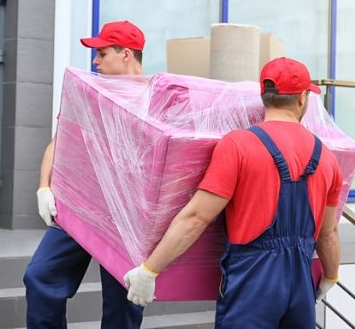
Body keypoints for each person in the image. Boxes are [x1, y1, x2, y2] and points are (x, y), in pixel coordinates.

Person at [124, 57, 342, 328]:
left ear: (263, 96)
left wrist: (150, 269)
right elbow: (328, 233)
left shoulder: (238, 145)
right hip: (300, 282)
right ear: (302, 98)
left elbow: (196, 217)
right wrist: (330, 276)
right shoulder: (326, 157)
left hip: (252, 283)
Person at [23, 21, 145, 329]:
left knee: (122, 304)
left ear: (126, 54)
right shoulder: (89, 94)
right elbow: (59, 140)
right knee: (39, 276)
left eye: (102, 54)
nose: (95, 61)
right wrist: (43, 187)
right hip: (81, 207)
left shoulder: (154, 99)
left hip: (127, 219)